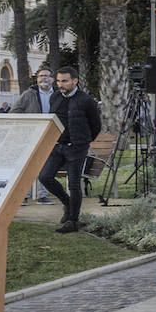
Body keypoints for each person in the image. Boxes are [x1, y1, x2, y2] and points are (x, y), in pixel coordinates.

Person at [38, 67, 100, 233]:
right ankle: (68, 204)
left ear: (74, 81)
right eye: (58, 81)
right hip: (57, 146)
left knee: (74, 184)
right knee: (44, 177)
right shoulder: (55, 97)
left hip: (77, 148)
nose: (60, 85)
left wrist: (83, 141)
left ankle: (73, 221)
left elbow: (96, 126)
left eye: (64, 81)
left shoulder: (86, 100)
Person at [15, 68, 58, 204]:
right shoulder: (29, 94)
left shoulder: (58, 95)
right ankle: (23, 196)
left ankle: (41, 196)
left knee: (44, 166)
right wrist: (27, 124)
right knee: (27, 166)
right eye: (40, 76)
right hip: (30, 135)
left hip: (51, 135)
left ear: (52, 79)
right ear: (37, 79)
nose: (43, 78)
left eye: (46, 76)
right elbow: (14, 111)